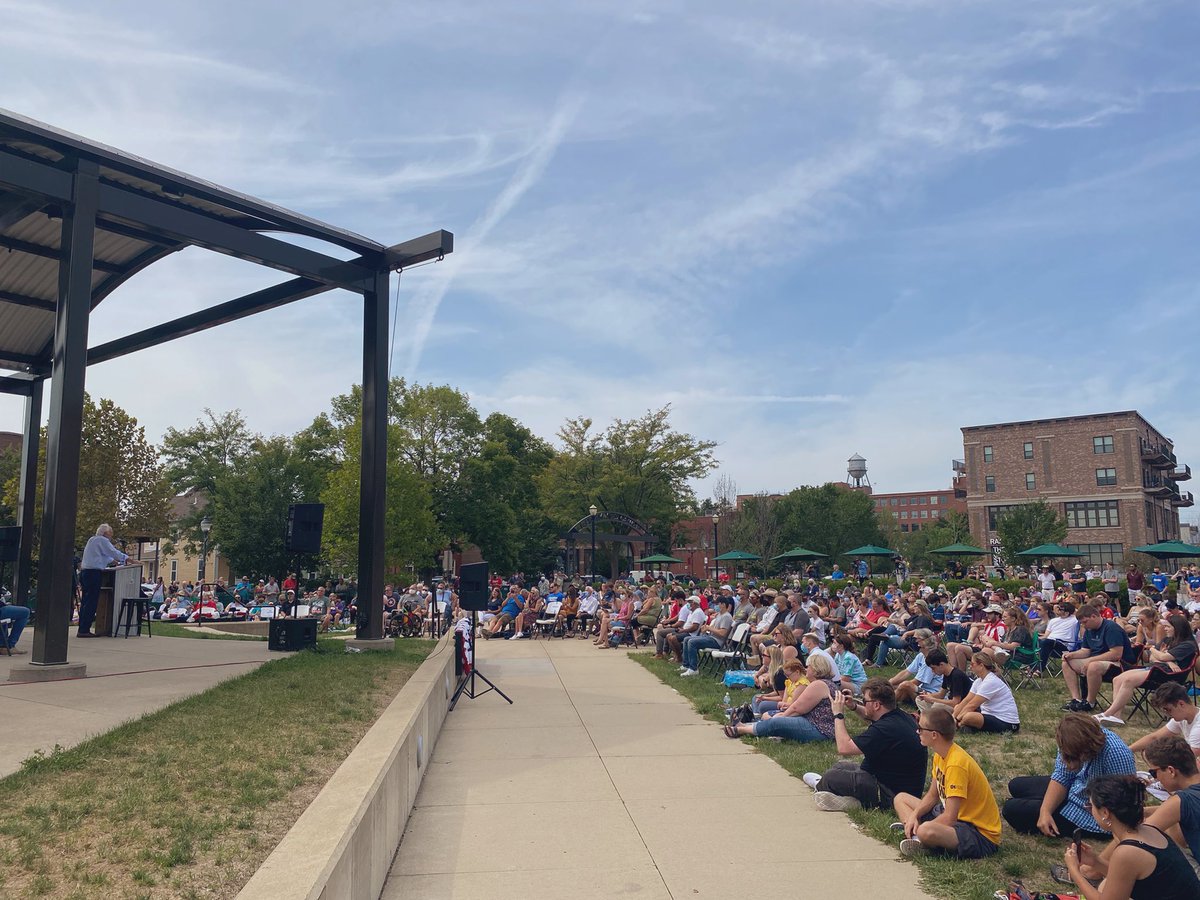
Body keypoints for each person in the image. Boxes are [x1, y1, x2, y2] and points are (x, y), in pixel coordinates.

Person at [1060, 774, 1200, 899]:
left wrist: (1074, 870)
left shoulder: (1127, 852)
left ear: (1105, 813)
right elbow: (1123, 877)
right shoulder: (1148, 830)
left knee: (1104, 888)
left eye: (1090, 806)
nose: (1090, 810)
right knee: (1105, 885)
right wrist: (1095, 861)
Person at [892, 705, 1002, 859]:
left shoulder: (956, 764)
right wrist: (914, 815)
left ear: (934, 735)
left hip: (978, 833)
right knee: (901, 798)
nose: (917, 731)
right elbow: (932, 795)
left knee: (926, 830)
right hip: (955, 818)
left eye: (920, 728)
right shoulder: (940, 754)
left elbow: (950, 817)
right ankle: (912, 828)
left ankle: (919, 837)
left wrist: (925, 826)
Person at [1002, 713, 1135, 839]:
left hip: (1091, 814)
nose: (1069, 763)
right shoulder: (1069, 739)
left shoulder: (1117, 753)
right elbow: (1062, 775)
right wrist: (1045, 811)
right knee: (1016, 785)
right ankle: (1045, 806)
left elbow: (1123, 805)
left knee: (1011, 809)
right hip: (1079, 788)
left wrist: (1095, 806)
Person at [806, 677, 927, 812]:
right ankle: (853, 800)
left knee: (831, 777)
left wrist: (838, 714)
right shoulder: (900, 717)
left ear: (876, 705)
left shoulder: (885, 729)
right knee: (841, 766)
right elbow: (870, 715)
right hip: (893, 783)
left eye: (865, 701)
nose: (863, 703)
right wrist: (854, 706)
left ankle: (823, 786)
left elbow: (844, 747)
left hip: (889, 793)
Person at [1094, 616, 1198, 726]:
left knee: (1129, 680)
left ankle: (1108, 713)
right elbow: (1152, 658)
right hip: (1157, 668)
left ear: (1177, 628)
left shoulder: (1188, 645)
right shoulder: (1167, 640)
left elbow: (1161, 656)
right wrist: (1167, 660)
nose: (1165, 629)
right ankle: (1116, 717)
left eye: (1168, 627)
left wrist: (1153, 649)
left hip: (1170, 675)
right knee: (1118, 679)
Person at [722, 653, 837, 743]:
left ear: (816, 669)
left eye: (809, 666)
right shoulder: (827, 684)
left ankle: (741, 729)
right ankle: (746, 726)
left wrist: (783, 716)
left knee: (776, 722)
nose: (806, 669)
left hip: (818, 729)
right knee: (776, 719)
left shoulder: (818, 685)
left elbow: (798, 708)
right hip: (820, 726)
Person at [1061, 604, 1139, 713]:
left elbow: (1116, 654)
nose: (1084, 625)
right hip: (1099, 660)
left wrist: (1090, 660)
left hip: (1121, 664)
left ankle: (1090, 702)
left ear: (1094, 616)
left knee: (1093, 666)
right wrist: (1072, 655)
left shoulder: (1111, 628)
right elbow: (1086, 650)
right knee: (1067, 663)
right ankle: (1077, 700)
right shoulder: (1089, 630)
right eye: (1081, 623)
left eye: (1085, 622)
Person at [1142, 735, 1200, 873]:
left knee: (1143, 851)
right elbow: (1180, 839)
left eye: (1153, 772)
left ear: (1171, 771)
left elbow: (1138, 837)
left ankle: (1095, 875)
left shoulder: (1181, 801)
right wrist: (1144, 811)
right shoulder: (1186, 799)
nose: (1153, 779)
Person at [78, 523, 132, 637]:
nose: (111, 537)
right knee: (91, 601)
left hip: (85, 572)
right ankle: (84, 630)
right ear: (105, 533)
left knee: (86, 601)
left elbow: (102, 556)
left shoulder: (92, 540)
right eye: (110, 534)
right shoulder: (103, 540)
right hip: (93, 573)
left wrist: (113, 561)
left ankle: (82, 627)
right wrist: (127, 558)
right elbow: (113, 552)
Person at [953, 652, 1021, 734]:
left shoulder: (990, 681)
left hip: (1007, 722)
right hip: (989, 715)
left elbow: (972, 705)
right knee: (958, 707)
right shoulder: (979, 681)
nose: (970, 667)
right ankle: (967, 726)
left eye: (972, 664)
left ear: (981, 666)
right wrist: (953, 716)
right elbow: (966, 701)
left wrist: (956, 721)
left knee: (968, 717)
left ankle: (961, 726)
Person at [1128, 683, 1200, 758]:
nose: (1167, 714)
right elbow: (1155, 737)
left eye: (1168, 710)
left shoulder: (1198, 727)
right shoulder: (1182, 719)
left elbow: (1188, 759)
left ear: (1181, 704)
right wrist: (1127, 750)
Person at [680, 596, 733, 676]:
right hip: (712, 637)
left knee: (692, 642)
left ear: (723, 604)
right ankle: (686, 665)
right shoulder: (719, 615)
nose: (715, 606)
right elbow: (715, 629)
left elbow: (723, 633)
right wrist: (707, 628)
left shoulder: (726, 616)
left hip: (718, 641)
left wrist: (709, 628)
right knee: (687, 639)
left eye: (717, 604)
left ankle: (693, 668)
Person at [888, 630, 943, 705]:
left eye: (917, 639)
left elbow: (916, 682)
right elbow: (907, 672)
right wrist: (890, 682)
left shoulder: (932, 658)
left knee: (905, 685)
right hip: (921, 689)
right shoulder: (921, 655)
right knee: (895, 685)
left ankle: (887, 704)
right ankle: (892, 698)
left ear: (925, 641)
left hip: (931, 694)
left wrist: (896, 686)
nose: (915, 641)